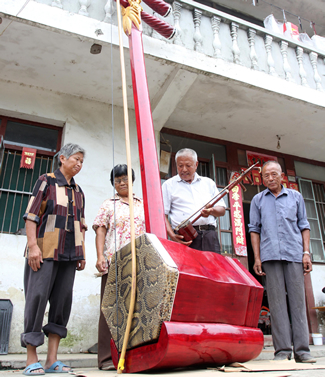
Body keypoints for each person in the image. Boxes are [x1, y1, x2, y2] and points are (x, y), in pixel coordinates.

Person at [21, 143, 87, 375]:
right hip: (44, 251)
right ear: (62, 158)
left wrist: (82, 252)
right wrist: (32, 247)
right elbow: (31, 215)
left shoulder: (79, 191)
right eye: (76, 159)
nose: (78, 164)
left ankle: (51, 360)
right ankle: (31, 359)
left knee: (61, 304)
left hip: (69, 255)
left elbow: (81, 224)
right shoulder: (46, 181)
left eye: (81, 161)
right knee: (37, 299)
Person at [249, 160, 315, 363]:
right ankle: (282, 351)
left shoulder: (295, 197)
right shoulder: (257, 200)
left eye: (274, 174)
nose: (270, 178)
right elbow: (254, 230)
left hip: (295, 254)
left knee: (297, 302)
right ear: (262, 178)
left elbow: (304, 225)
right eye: (266, 175)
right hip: (270, 256)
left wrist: (306, 253)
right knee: (277, 305)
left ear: (281, 176)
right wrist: (257, 258)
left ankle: (302, 351)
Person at [93, 164, 146, 370]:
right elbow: (100, 231)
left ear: (131, 181)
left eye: (125, 179)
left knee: (136, 309)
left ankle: (132, 356)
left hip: (139, 261)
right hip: (114, 261)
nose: (122, 183)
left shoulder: (141, 204)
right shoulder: (108, 204)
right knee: (109, 309)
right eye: (117, 180)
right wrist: (100, 256)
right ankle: (106, 358)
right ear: (113, 183)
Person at [162, 148, 226, 252]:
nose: (184, 169)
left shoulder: (208, 183)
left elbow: (222, 210)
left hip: (209, 236)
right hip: (185, 238)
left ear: (196, 165)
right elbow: (162, 214)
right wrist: (172, 236)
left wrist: (211, 211)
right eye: (180, 165)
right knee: (187, 268)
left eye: (188, 165)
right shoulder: (168, 185)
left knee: (212, 268)